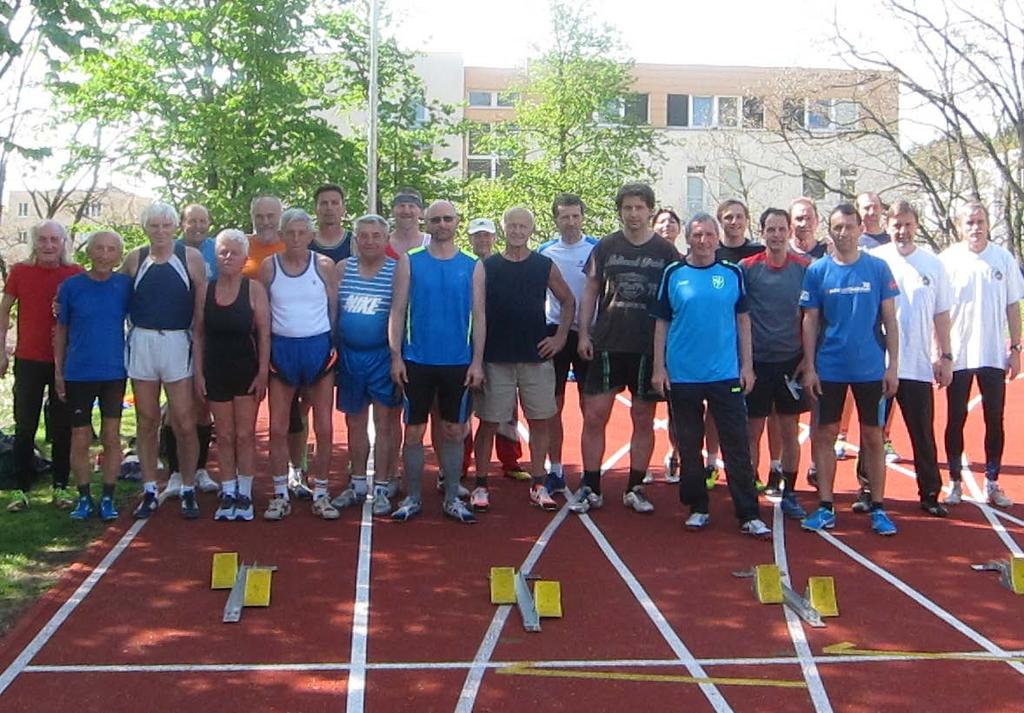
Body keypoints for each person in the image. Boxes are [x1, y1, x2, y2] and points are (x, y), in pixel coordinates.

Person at [650, 213, 770, 537]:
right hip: (684, 375)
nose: (703, 241)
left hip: (725, 373)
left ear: (717, 239)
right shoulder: (674, 273)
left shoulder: (732, 273)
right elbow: (661, 322)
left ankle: (748, 512)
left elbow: (743, 321)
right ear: (687, 239)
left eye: (708, 235)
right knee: (689, 445)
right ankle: (698, 507)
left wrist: (747, 366)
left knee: (737, 445)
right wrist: (658, 368)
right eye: (697, 235)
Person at [572, 183, 678, 515]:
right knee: (594, 416)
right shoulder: (605, 247)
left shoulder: (666, 252)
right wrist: (584, 333)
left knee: (643, 418)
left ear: (650, 210)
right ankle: (591, 486)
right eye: (627, 208)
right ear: (620, 211)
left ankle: (634, 486)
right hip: (608, 341)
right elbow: (590, 289)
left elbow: (676, 300)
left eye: (639, 208)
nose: (633, 214)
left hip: (648, 346)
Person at [799, 203, 900, 536]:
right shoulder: (817, 271)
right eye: (837, 227)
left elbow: (890, 320)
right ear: (830, 231)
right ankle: (826, 506)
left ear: (860, 229)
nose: (843, 233)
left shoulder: (878, 268)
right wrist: (810, 367)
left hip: (870, 367)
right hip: (830, 367)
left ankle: (879, 507)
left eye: (849, 226)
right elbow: (810, 320)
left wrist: (893, 366)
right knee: (825, 435)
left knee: (873, 437)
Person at [473, 207, 574, 512]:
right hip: (496, 357)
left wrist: (559, 338)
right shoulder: (487, 266)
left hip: (535, 357)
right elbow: (475, 312)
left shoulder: (544, 265)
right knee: (489, 422)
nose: (517, 231)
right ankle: (480, 484)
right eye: (512, 226)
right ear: (503, 229)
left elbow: (568, 300)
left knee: (541, 420)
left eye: (523, 226)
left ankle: (539, 482)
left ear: (531, 230)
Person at [389, 200, 484, 523]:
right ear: (426, 224)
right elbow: (397, 311)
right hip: (416, 360)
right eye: (436, 219)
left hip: (458, 361)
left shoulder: (473, 264)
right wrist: (396, 356)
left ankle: (452, 494)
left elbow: (480, 316)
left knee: (454, 430)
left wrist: (477, 362)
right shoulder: (410, 261)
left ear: (457, 222)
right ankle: (413, 497)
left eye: (448, 219)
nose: (442, 224)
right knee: (413, 431)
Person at [122, 202, 208, 519]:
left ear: (175, 228)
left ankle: (187, 487)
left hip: (177, 341)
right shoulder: (135, 258)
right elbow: (115, 296)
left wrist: (199, 348)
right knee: (146, 420)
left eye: (165, 226)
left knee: (185, 421)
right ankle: (149, 489)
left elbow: (200, 309)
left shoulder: (190, 258)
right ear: (145, 228)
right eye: (154, 226)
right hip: (143, 340)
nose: (160, 231)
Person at [940, 201, 1023, 508]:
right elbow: (940, 311)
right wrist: (942, 353)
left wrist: (1015, 348)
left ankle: (992, 481)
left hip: (992, 355)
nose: (975, 227)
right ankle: (955, 482)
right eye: (969, 222)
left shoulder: (1002, 259)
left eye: (980, 221)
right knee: (955, 418)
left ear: (988, 224)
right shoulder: (947, 261)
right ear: (959, 227)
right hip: (959, 355)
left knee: (994, 419)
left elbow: (1013, 306)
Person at [872, 201, 953, 516]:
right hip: (879, 365)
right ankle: (869, 489)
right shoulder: (876, 261)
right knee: (873, 431)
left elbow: (941, 314)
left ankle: (930, 492)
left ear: (916, 226)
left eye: (907, 224)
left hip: (917, 365)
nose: (902, 231)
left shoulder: (933, 265)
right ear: (888, 226)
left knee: (922, 431)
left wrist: (944, 356)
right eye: (896, 225)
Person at [260, 208, 339, 520]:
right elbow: (263, 314)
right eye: (289, 233)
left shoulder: (323, 265)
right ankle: (279, 494)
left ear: (310, 235)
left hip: (318, 348)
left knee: (324, 426)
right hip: (282, 351)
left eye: (301, 233)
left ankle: (321, 492)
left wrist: (330, 344)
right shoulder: (269, 267)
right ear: (281, 235)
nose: (295, 238)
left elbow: (334, 309)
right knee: (278, 428)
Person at [1, 221, 82, 512]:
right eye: (43, 240)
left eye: (54, 240)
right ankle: (21, 489)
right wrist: (2, 350)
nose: (49, 245)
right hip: (28, 359)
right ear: (35, 242)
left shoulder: (75, 273)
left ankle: (60, 487)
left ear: (63, 243)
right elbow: (5, 309)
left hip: (65, 362)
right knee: (25, 425)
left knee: (62, 427)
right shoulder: (20, 272)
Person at [53, 231, 131, 521]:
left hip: (113, 371)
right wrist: (59, 370)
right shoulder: (71, 287)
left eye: (111, 249)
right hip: (78, 372)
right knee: (81, 436)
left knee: (111, 436)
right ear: (89, 252)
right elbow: (60, 331)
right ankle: (84, 497)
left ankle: (108, 496)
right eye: (99, 248)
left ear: (118, 255)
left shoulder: (125, 286)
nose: (104, 254)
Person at [194, 229, 270, 521]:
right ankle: (228, 490)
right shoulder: (205, 290)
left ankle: (245, 492)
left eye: (234, 252)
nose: (228, 257)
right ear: (216, 256)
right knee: (223, 435)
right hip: (215, 370)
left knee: (244, 434)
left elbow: (264, 334)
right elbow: (198, 335)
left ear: (244, 258)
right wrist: (198, 373)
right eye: (223, 252)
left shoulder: (254, 290)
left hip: (245, 370)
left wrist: (263, 371)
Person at [739, 209, 810, 519]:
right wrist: (745, 362)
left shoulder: (805, 268)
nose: (777, 235)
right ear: (763, 232)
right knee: (751, 429)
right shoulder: (747, 268)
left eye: (782, 229)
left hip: (791, 362)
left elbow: (813, 317)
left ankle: (790, 490)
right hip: (757, 362)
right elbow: (738, 315)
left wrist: (809, 359)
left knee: (789, 429)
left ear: (789, 231)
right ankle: (750, 491)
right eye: (771, 229)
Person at [330, 215, 400, 516]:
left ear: (386, 240)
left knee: (385, 423)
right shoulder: (342, 269)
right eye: (364, 236)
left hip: (382, 356)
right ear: (355, 239)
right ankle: (357, 482)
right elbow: (332, 313)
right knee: (354, 423)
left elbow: (400, 315)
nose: (370, 241)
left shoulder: (397, 271)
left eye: (376, 235)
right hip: (349, 357)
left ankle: (383, 485)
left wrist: (397, 356)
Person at [242, 195, 309, 498]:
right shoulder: (242, 246)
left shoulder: (292, 245)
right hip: (246, 341)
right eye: (260, 215)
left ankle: (297, 469)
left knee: (292, 414)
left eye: (271, 215)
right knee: (245, 412)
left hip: (285, 341)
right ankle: (242, 477)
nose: (266, 221)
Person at [538, 194, 599, 492]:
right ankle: (557, 469)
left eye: (576, 216)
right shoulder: (546, 251)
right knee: (554, 404)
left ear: (582, 217)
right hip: (555, 331)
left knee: (591, 405)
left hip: (590, 332)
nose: (571, 222)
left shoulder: (596, 249)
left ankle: (590, 471)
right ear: (556, 220)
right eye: (565, 217)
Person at [466, 217, 531, 486]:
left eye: (487, 235)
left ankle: (509, 460)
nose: (482, 240)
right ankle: (461, 463)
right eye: (477, 235)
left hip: (502, 346)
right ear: (469, 238)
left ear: (495, 237)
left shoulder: (504, 264)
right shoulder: (465, 264)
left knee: (506, 410)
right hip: (466, 344)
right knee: (465, 409)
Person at [163, 202, 219, 497]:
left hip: (207, 335)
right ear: (181, 224)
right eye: (191, 221)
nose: (197, 226)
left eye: (202, 221)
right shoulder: (169, 249)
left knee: (203, 404)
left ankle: (200, 469)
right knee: (175, 408)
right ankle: (174, 472)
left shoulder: (215, 249)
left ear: (209, 223)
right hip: (174, 335)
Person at [311, 183, 353, 262]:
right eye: (324, 203)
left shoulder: (354, 242)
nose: (329, 208)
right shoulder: (304, 241)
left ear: (343, 208)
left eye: (334, 203)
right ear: (315, 209)